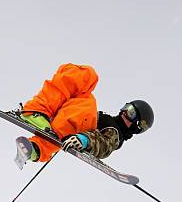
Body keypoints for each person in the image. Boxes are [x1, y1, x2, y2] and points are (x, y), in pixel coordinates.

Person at [15, 63, 154, 167]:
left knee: (89, 89)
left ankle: (34, 147)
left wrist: (84, 140)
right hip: (60, 120)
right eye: (127, 107)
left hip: (77, 130)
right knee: (80, 78)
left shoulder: (115, 134)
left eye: (131, 112)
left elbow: (104, 145)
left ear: (136, 126)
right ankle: (36, 121)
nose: (124, 111)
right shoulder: (108, 119)